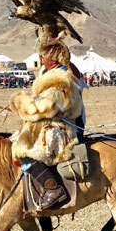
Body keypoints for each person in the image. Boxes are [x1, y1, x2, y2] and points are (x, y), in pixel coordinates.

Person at [9, 38, 87, 210]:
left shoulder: (58, 80)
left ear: (52, 58)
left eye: (43, 56)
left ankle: (53, 188)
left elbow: (44, 108)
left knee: (21, 151)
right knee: (13, 139)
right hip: (51, 124)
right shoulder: (57, 75)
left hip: (60, 130)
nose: (41, 59)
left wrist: (19, 102)